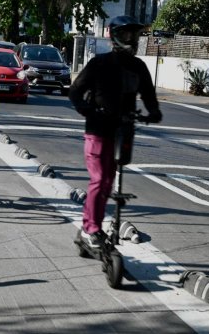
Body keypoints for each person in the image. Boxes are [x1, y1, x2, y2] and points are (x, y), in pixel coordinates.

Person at [69, 16, 162, 248]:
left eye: (135, 35)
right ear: (115, 36)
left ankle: (91, 226)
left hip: (123, 132)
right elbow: (75, 91)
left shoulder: (138, 66)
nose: (133, 40)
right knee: (100, 181)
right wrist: (87, 109)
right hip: (98, 131)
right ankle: (91, 229)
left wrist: (153, 112)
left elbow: (149, 95)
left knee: (109, 182)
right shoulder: (99, 63)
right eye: (127, 35)